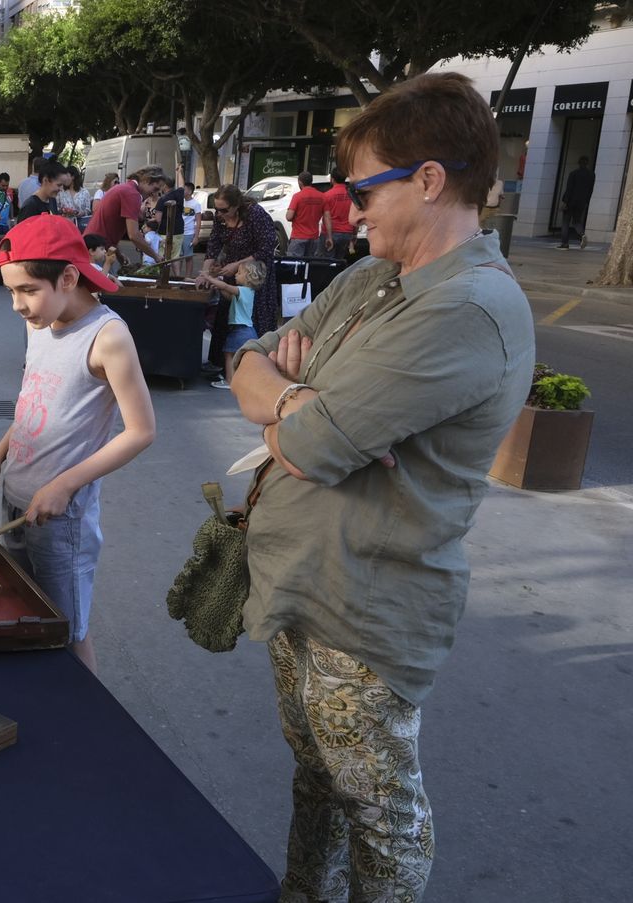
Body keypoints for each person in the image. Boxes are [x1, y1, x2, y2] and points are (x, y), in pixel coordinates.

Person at [229, 72, 533, 902]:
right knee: (316, 781)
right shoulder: (373, 280)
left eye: (363, 188)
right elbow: (246, 362)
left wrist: (297, 418)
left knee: (380, 814)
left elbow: (313, 448)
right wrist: (292, 404)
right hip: (305, 579)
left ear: (429, 180)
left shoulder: (468, 309)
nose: (349, 207)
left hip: (366, 608)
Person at [0, 215, 155, 674]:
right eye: (11, 291)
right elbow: (34, 405)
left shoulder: (107, 337)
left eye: (28, 289)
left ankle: (89, 722)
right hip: (14, 500)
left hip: (61, 518)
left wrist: (65, 485)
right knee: (25, 611)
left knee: (67, 630)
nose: (17, 304)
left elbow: (141, 431)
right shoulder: (38, 323)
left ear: (68, 277)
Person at [197, 184, 279, 376]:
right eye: (217, 209)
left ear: (236, 205)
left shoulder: (256, 215)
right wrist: (205, 272)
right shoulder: (220, 217)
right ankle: (220, 362)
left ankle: (255, 363)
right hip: (233, 271)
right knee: (227, 313)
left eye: (224, 210)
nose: (220, 213)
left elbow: (266, 249)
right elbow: (214, 244)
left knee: (252, 316)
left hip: (253, 272)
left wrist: (238, 265)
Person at [201, 259, 265, 389]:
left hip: (240, 330)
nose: (235, 275)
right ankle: (248, 379)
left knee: (228, 354)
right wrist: (218, 286)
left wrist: (209, 277)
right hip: (246, 330)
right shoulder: (246, 292)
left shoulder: (243, 291)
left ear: (248, 277)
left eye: (239, 273)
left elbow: (226, 287)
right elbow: (228, 295)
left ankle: (230, 380)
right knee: (242, 356)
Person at [86, 164, 166, 266]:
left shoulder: (127, 189)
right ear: (146, 180)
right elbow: (134, 235)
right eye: (155, 189)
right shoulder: (132, 194)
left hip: (97, 247)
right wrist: (156, 256)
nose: (154, 194)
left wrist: (119, 255)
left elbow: (110, 230)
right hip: (97, 250)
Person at [284, 171, 328, 257]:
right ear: (311, 181)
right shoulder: (322, 196)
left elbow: (289, 217)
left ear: (300, 182)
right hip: (314, 237)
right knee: (309, 264)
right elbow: (327, 217)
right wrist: (329, 236)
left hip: (298, 237)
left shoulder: (297, 196)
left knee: (294, 265)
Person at [558, 155, 595, 249]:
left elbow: (569, 189)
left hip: (570, 201)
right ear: (587, 163)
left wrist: (565, 201)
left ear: (579, 163)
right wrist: (587, 202)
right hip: (582, 202)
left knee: (566, 222)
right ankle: (582, 234)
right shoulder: (591, 175)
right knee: (576, 221)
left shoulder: (573, 173)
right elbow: (590, 190)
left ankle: (564, 244)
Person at [321, 167, 355, 259]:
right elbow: (356, 214)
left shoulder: (327, 195)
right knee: (339, 261)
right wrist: (354, 234)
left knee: (327, 262)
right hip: (347, 233)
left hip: (331, 233)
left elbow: (326, 217)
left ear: (332, 179)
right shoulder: (352, 195)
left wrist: (328, 236)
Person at [181, 181, 203, 260]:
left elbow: (198, 221)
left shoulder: (196, 204)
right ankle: (179, 273)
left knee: (188, 258)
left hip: (189, 234)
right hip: (179, 233)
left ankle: (188, 273)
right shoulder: (181, 201)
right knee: (178, 258)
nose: (182, 191)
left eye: (184, 189)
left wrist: (196, 237)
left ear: (190, 191)